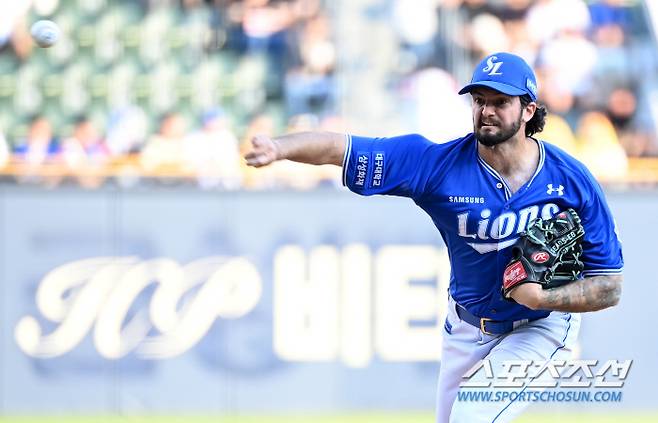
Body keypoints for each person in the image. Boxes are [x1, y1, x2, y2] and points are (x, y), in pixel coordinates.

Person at [244, 52, 624, 423]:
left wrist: (543, 298)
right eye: (479, 100)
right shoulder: (437, 166)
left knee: (472, 415)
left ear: (528, 110)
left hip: (541, 326)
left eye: (500, 101)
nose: (487, 110)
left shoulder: (572, 180)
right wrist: (280, 148)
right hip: (466, 325)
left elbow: (610, 286)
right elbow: (341, 149)